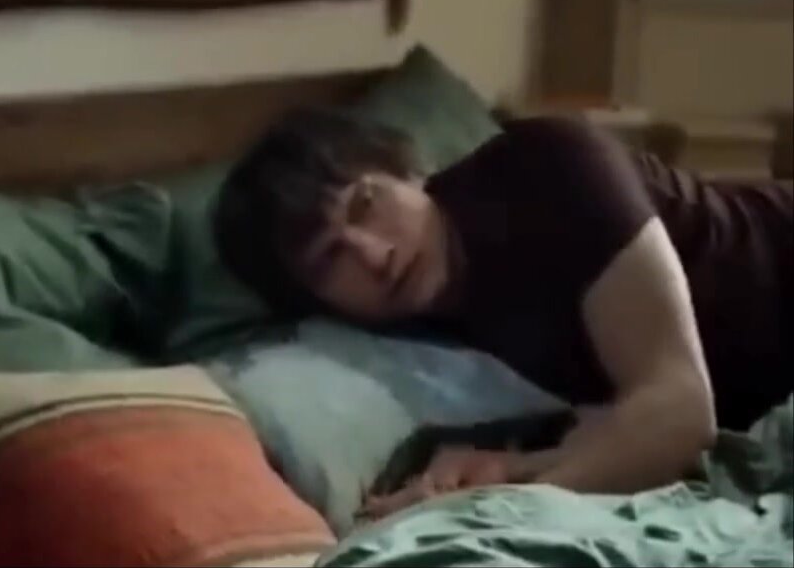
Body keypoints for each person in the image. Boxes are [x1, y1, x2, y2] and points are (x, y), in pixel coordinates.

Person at [212, 108, 792, 518]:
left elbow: (680, 416)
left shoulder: (549, 166)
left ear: (408, 170)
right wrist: (513, 467)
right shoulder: (406, 326)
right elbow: (617, 419)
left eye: (367, 203)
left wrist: (495, 505)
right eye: (330, 259)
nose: (374, 255)